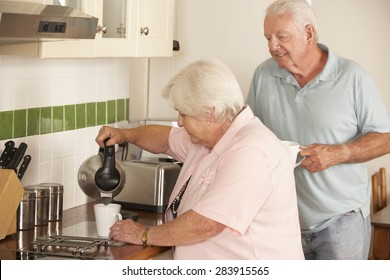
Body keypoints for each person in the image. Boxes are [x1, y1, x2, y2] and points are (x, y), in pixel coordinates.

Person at [96, 58, 304, 260]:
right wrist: (125, 134)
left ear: (210, 114)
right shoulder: (210, 138)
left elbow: (206, 223)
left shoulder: (251, 151)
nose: (180, 122)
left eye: (183, 114)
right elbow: (166, 140)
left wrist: (144, 235)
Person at [246, 0, 390, 260]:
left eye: (282, 36)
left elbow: (385, 139)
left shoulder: (353, 77)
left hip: (341, 222)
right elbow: (248, 136)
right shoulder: (263, 75)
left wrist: (339, 153)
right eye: (268, 37)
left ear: (309, 33)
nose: (272, 46)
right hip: (282, 222)